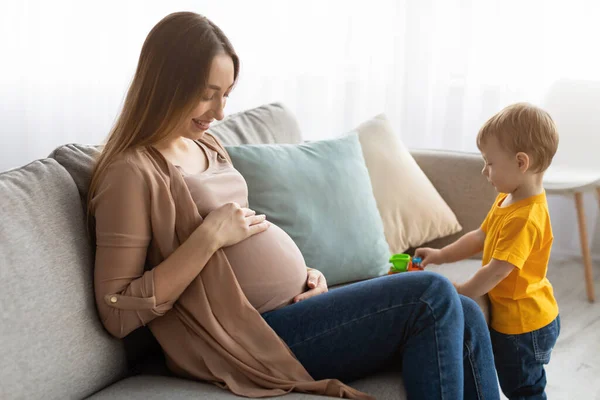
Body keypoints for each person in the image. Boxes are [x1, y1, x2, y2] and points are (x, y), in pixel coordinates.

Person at [88, 11, 500, 400]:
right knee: (431, 293)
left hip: (297, 308)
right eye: (206, 95)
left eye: (226, 95)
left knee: (465, 310)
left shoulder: (205, 142)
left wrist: (306, 274)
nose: (219, 112)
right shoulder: (131, 172)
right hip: (247, 336)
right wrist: (207, 239)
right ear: (166, 85)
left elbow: (248, 238)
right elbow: (118, 313)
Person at [417, 103, 561, 400]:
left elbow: (497, 270)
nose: (484, 171)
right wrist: (440, 255)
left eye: (490, 163)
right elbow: (481, 236)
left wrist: (464, 291)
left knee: (525, 390)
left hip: (524, 326)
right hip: (520, 320)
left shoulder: (526, 217)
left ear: (522, 162)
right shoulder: (509, 200)